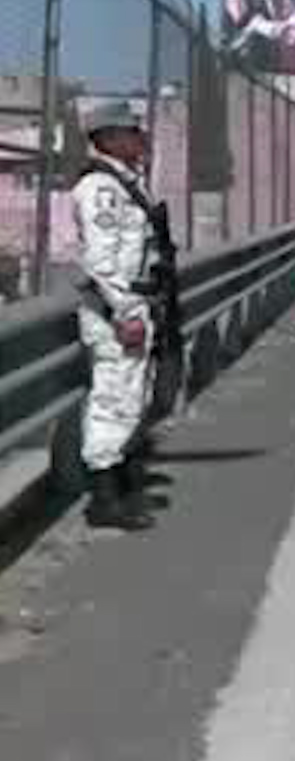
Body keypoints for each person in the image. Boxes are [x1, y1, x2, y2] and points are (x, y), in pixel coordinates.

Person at [72, 101, 164, 531]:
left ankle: (121, 480)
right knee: (112, 400)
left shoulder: (125, 183)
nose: (139, 139)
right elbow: (100, 262)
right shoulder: (101, 189)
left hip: (132, 305)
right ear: (108, 138)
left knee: (131, 397)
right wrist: (125, 313)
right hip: (114, 312)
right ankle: (104, 499)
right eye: (131, 132)